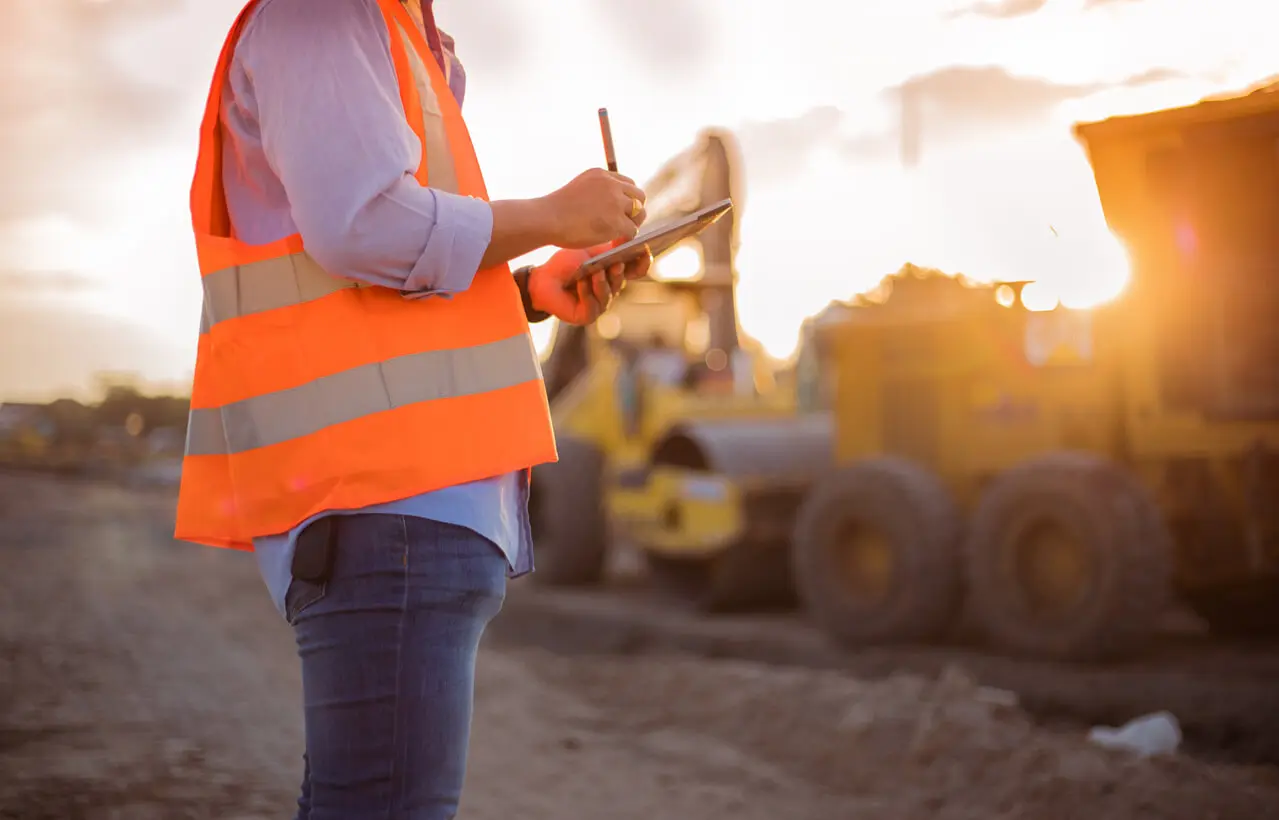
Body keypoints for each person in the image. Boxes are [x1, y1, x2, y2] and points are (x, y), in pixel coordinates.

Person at [174, 0, 651, 817]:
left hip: (398, 511)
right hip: (386, 507)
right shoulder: (323, 16)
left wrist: (531, 291)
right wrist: (552, 215)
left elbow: (381, 273)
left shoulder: (387, 32)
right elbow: (362, 226)